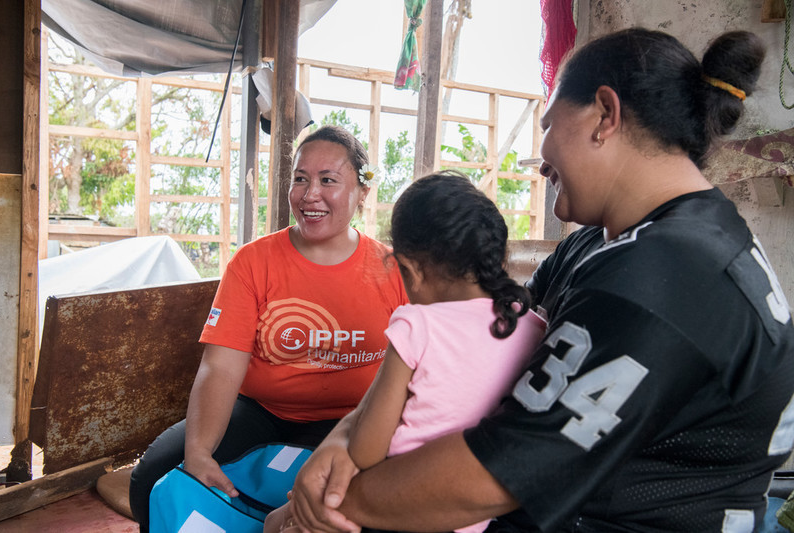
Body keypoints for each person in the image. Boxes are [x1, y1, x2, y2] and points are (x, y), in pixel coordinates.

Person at [267, 29, 794, 533]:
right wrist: (340, 443)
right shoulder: (604, 245)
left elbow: (495, 476)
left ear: (604, 115)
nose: (542, 157)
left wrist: (333, 504)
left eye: (547, 122)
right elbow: (483, 350)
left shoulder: (668, 273)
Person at [128, 125, 408, 532]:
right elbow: (221, 367)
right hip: (263, 413)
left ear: (362, 191)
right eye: (300, 179)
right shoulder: (252, 262)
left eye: (328, 180)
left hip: (355, 420)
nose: (310, 194)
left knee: (368, 508)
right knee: (153, 478)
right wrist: (199, 452)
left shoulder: (393, 269)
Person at [339, 172, 547, 533]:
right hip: (475, 516)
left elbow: (365, 452)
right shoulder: (533, 326)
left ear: (410, 269)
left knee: (286, 519)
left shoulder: (416, 325)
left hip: (398, 508)